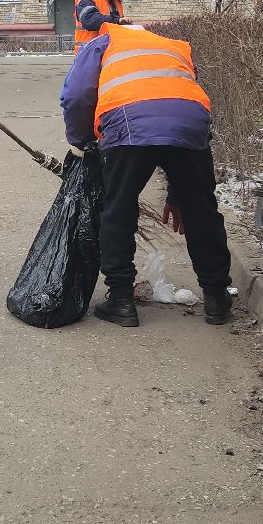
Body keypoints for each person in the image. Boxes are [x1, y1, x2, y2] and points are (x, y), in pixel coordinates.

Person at [60, 20, 234, 328]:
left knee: (119, 207)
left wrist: (82, 141)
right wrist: (179, 194)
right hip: (191, 122)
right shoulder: (173, 46)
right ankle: (217, 297)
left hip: (128, 121)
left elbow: (77, 95)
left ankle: (122, 300)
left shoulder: (103, 41)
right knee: (202, 211)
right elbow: (173, 109)